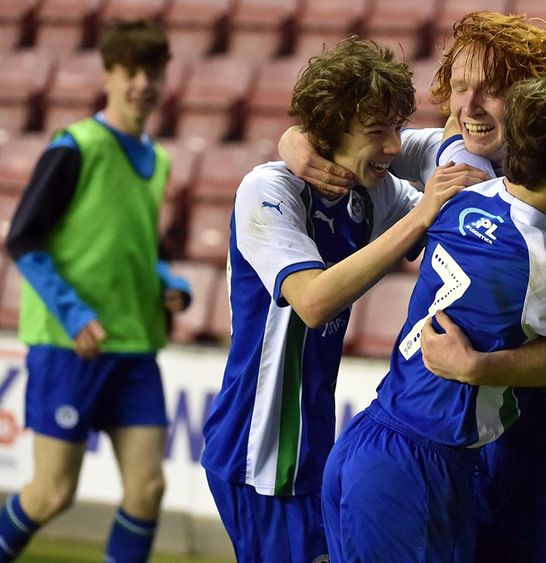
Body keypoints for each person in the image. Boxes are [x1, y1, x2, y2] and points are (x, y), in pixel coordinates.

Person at [280, 11, 546, 560]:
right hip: (478, 439)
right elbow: (363, 140)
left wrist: (478, 368)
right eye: (459, 89)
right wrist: (298, 139)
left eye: (492, 90)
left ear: (532, 97)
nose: (467, 108)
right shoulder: (463, 160)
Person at [198, 37, 485, 563]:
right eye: (378, 133)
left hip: (310, 442)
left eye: (397, 129)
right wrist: (421, 217)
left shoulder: (370, 194)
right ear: (329, 131)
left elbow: (452, 198)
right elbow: (312, 301)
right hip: (261, 448)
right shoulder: (268, 189)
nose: (395, 148)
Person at [0, 21, 191, 563]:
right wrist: (73, 315)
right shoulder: (75, 146)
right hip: (70, 345)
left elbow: (141, 246)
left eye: (153, 71)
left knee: (147, 490)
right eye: (131, 72)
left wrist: (169, 283)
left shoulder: (160, 159)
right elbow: (23, 239)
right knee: (52, 494)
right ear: (109, 77)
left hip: (134, 346)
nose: (143, 83)